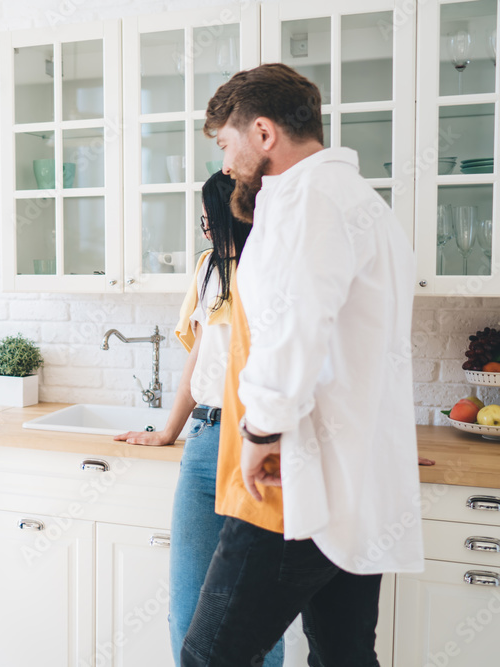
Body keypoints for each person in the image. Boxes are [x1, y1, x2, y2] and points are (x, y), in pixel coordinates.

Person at [180, 63, 423, 666]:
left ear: (264, 133)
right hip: (351, 480)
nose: (226, 163)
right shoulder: (363, 203)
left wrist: (261, 431)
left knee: (210, 656)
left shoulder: (306, 201)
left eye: (226, 143)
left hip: (291, 478)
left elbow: (293, 327)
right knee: (343, 656)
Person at [115, 171, 282, 666]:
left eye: (210, 222)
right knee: (187, 610)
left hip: (261, 442)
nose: (206, 232)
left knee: (256, 616)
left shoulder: (276, 269)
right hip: (207, 440)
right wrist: (169, 430)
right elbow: (201, 354)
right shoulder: (209, 268)